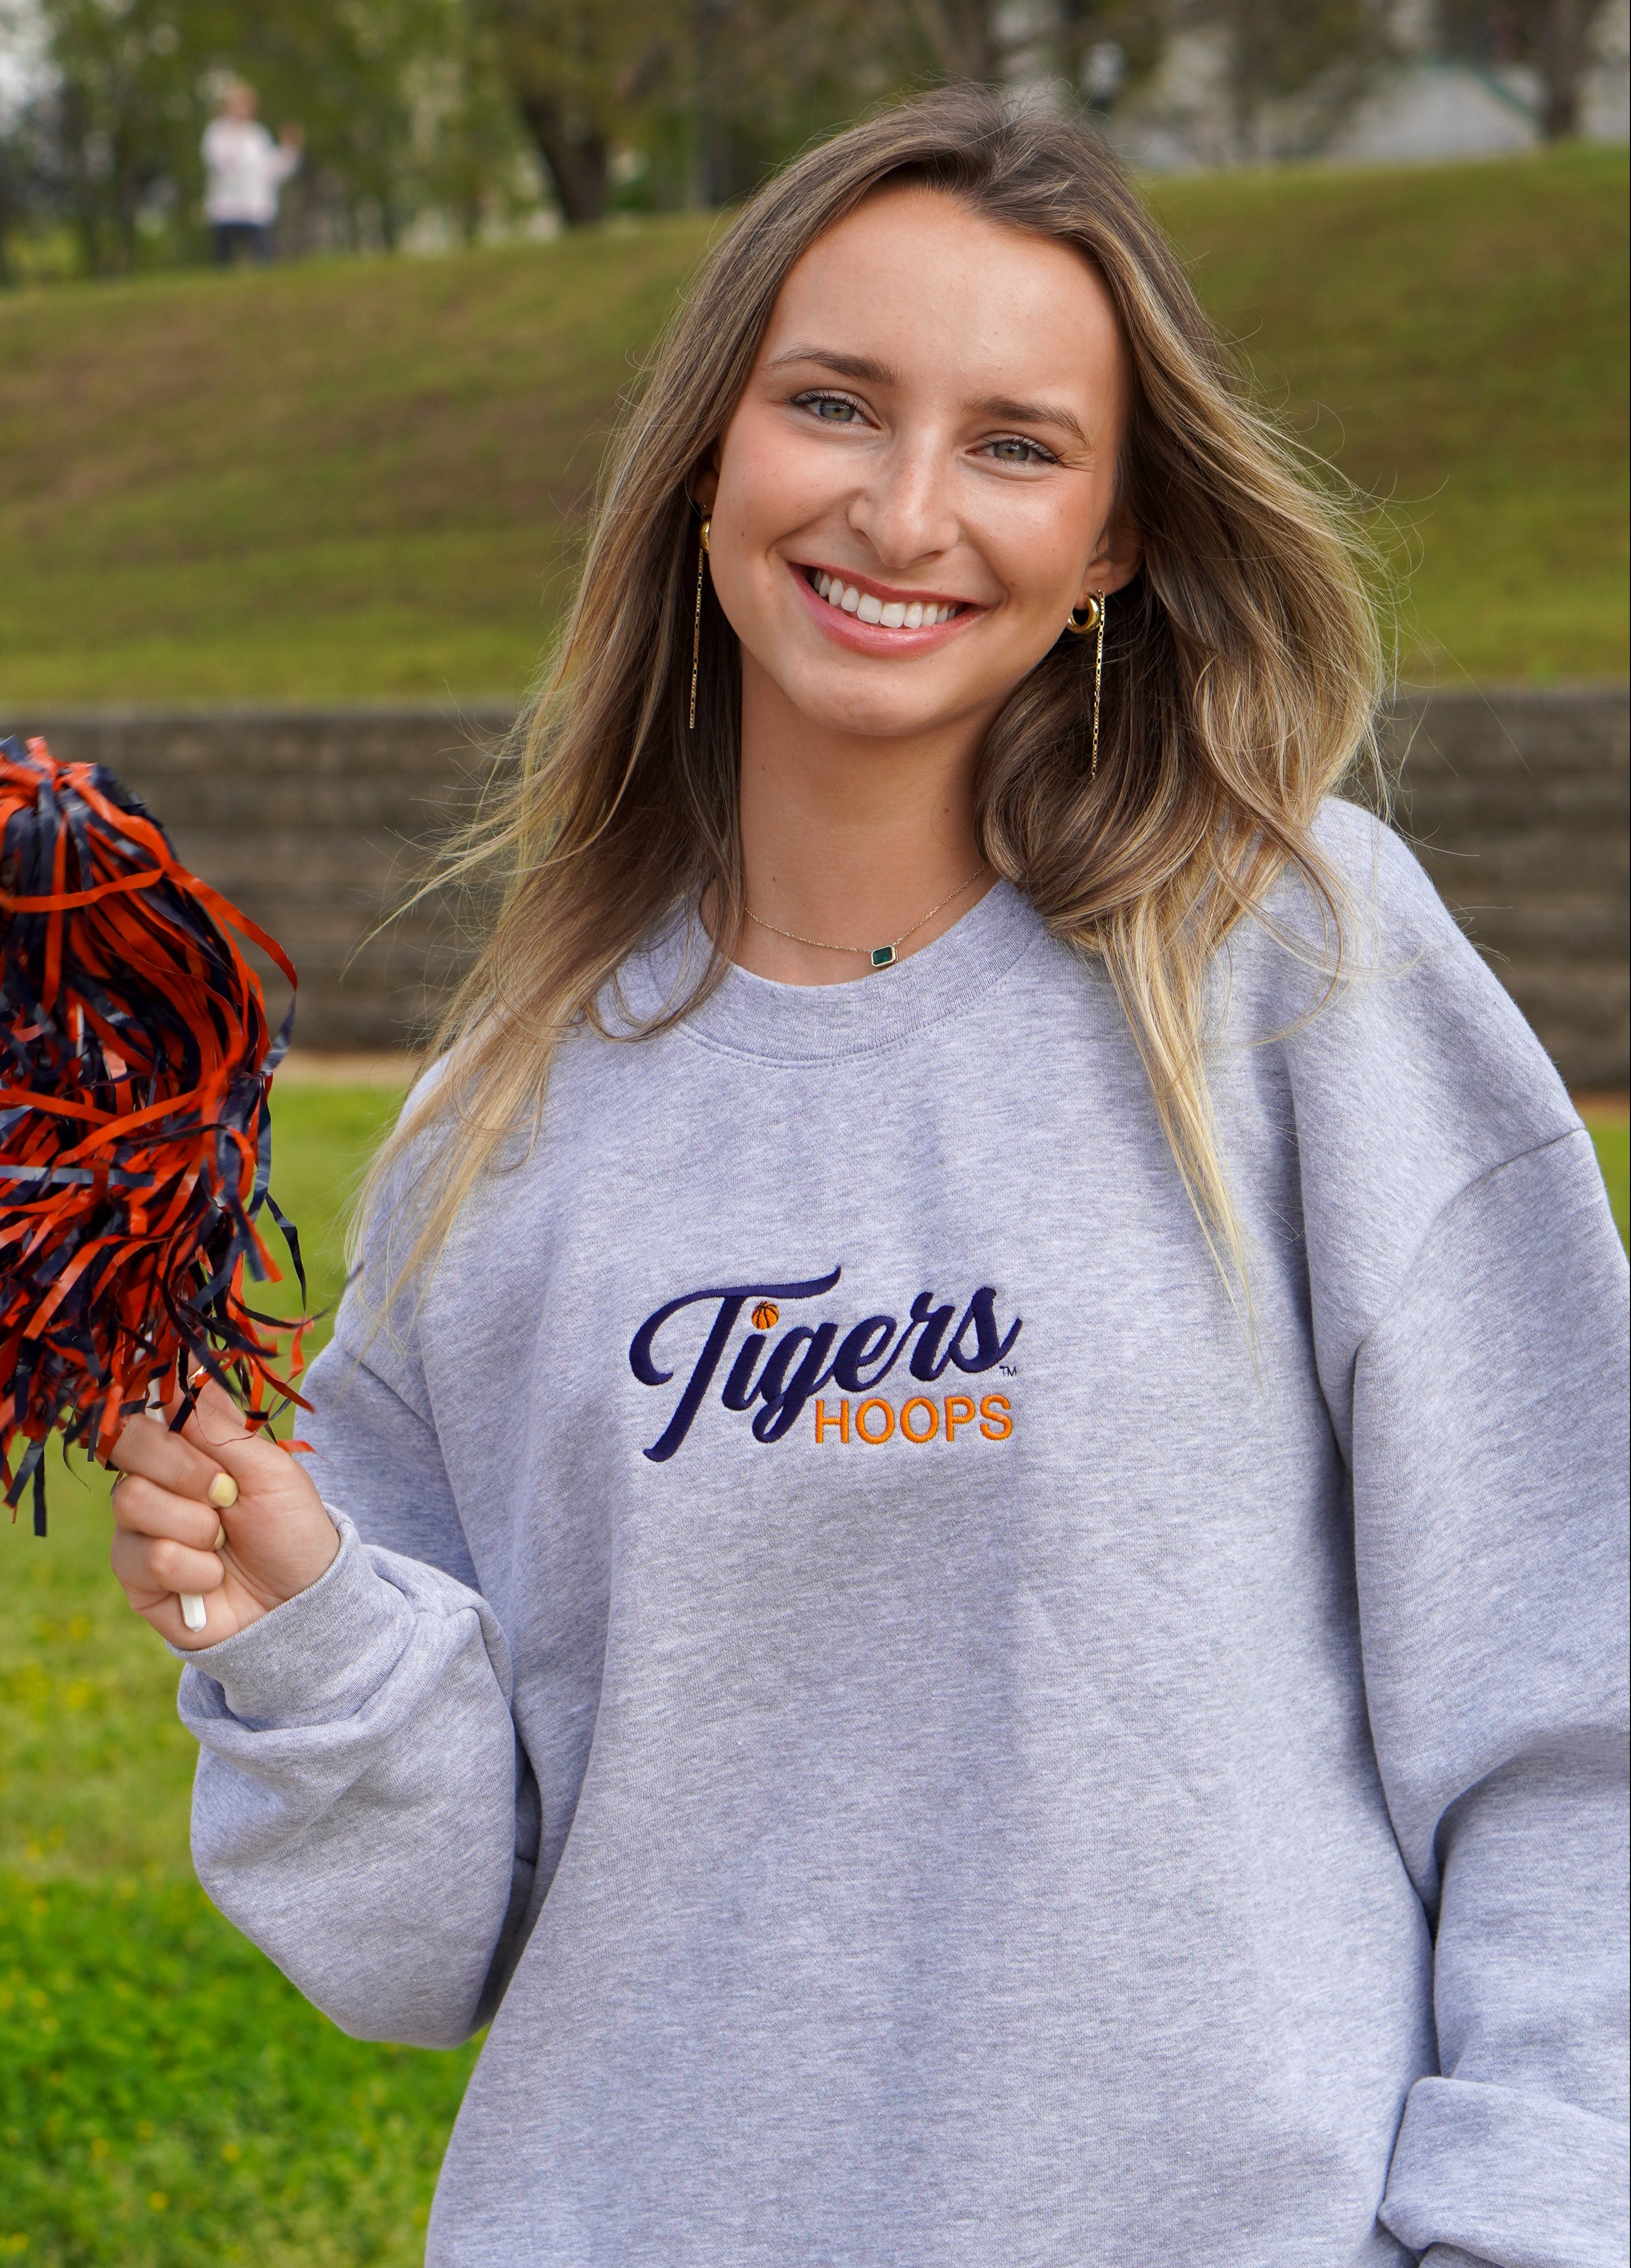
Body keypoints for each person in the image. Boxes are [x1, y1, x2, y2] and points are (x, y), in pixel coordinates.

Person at [108, 88, 1628, 2266]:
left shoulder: (1292, 971)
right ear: (713, 455)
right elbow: (425, 1946)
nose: (905, 510)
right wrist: (303, 1629)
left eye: (1013, 444)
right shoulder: (495, 1127)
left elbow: (1573, 1704)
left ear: (1111, 539)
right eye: (834, 405)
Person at [200, 80, 300, 265]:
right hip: (227, 207)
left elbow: (270, 171)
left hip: (256, 208)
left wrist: (289, 150)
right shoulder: (217, 133)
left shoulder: (258, 135)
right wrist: (235, 137)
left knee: (261, 259)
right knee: (224, 261)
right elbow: (219, 163)